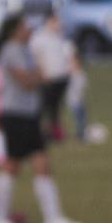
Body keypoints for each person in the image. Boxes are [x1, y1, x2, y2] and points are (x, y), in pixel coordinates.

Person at [0, 13, 85, 223]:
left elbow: (40, 75)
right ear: (14, 30)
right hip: (15, 114)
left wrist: (38, 74)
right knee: (13, 165)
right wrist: (38, 75)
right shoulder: (11, 50)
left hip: (28, 114)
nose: (29, 30)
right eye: (24, 26)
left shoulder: (26, 50)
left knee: (41, 162)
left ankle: (53, 220)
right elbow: (28, 81)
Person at [31, 10, 76, 142]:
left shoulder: (60, 37)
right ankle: (39, 132)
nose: (59, 24)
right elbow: (36, 56)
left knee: (55, 108)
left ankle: (55, 133)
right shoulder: (39, 37)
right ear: (49, 21)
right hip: (47, 78)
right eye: (56, 21)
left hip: (61, 78)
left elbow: (67, 55)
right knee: (43, 107)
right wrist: (41, 72)